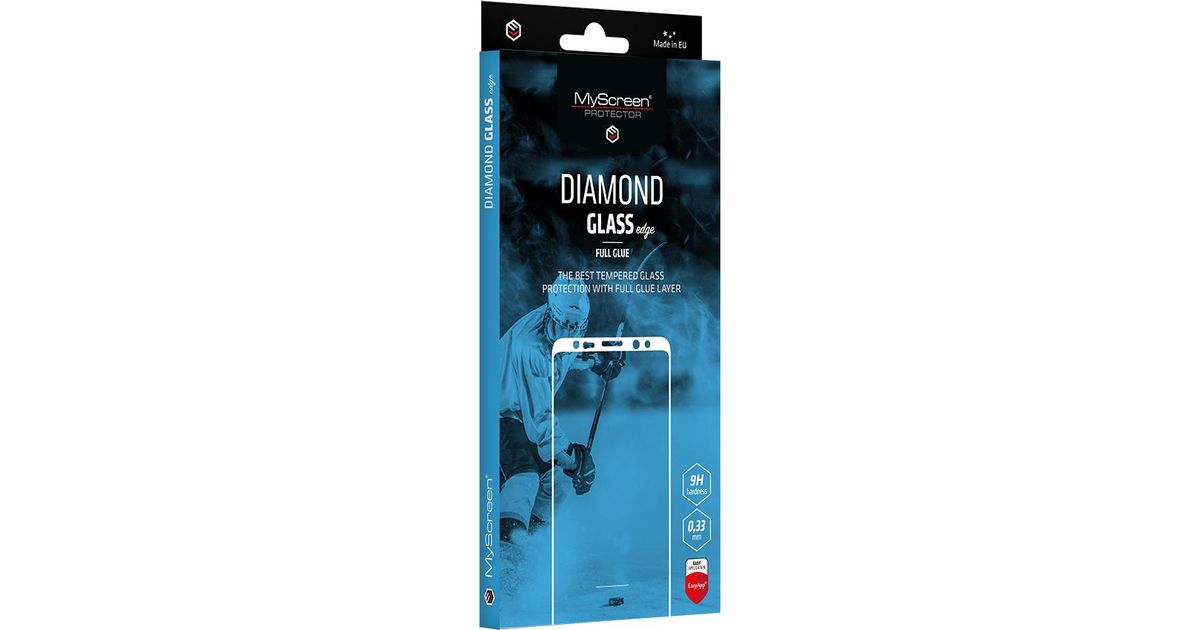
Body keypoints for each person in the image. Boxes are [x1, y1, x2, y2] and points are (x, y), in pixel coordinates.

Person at [498, 276, 623, 543]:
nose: (568, 334)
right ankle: (505, 551)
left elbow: (564, 352)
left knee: (556, 485)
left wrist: (597, 359)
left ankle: (529, 548)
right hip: (495, 415)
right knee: (524, 478)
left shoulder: (562, 325)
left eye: (575, 328)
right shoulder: (530, 347)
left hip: (520, 419)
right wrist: (575, 459)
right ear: (550, 314)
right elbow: (540, 423)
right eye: (563, 325)